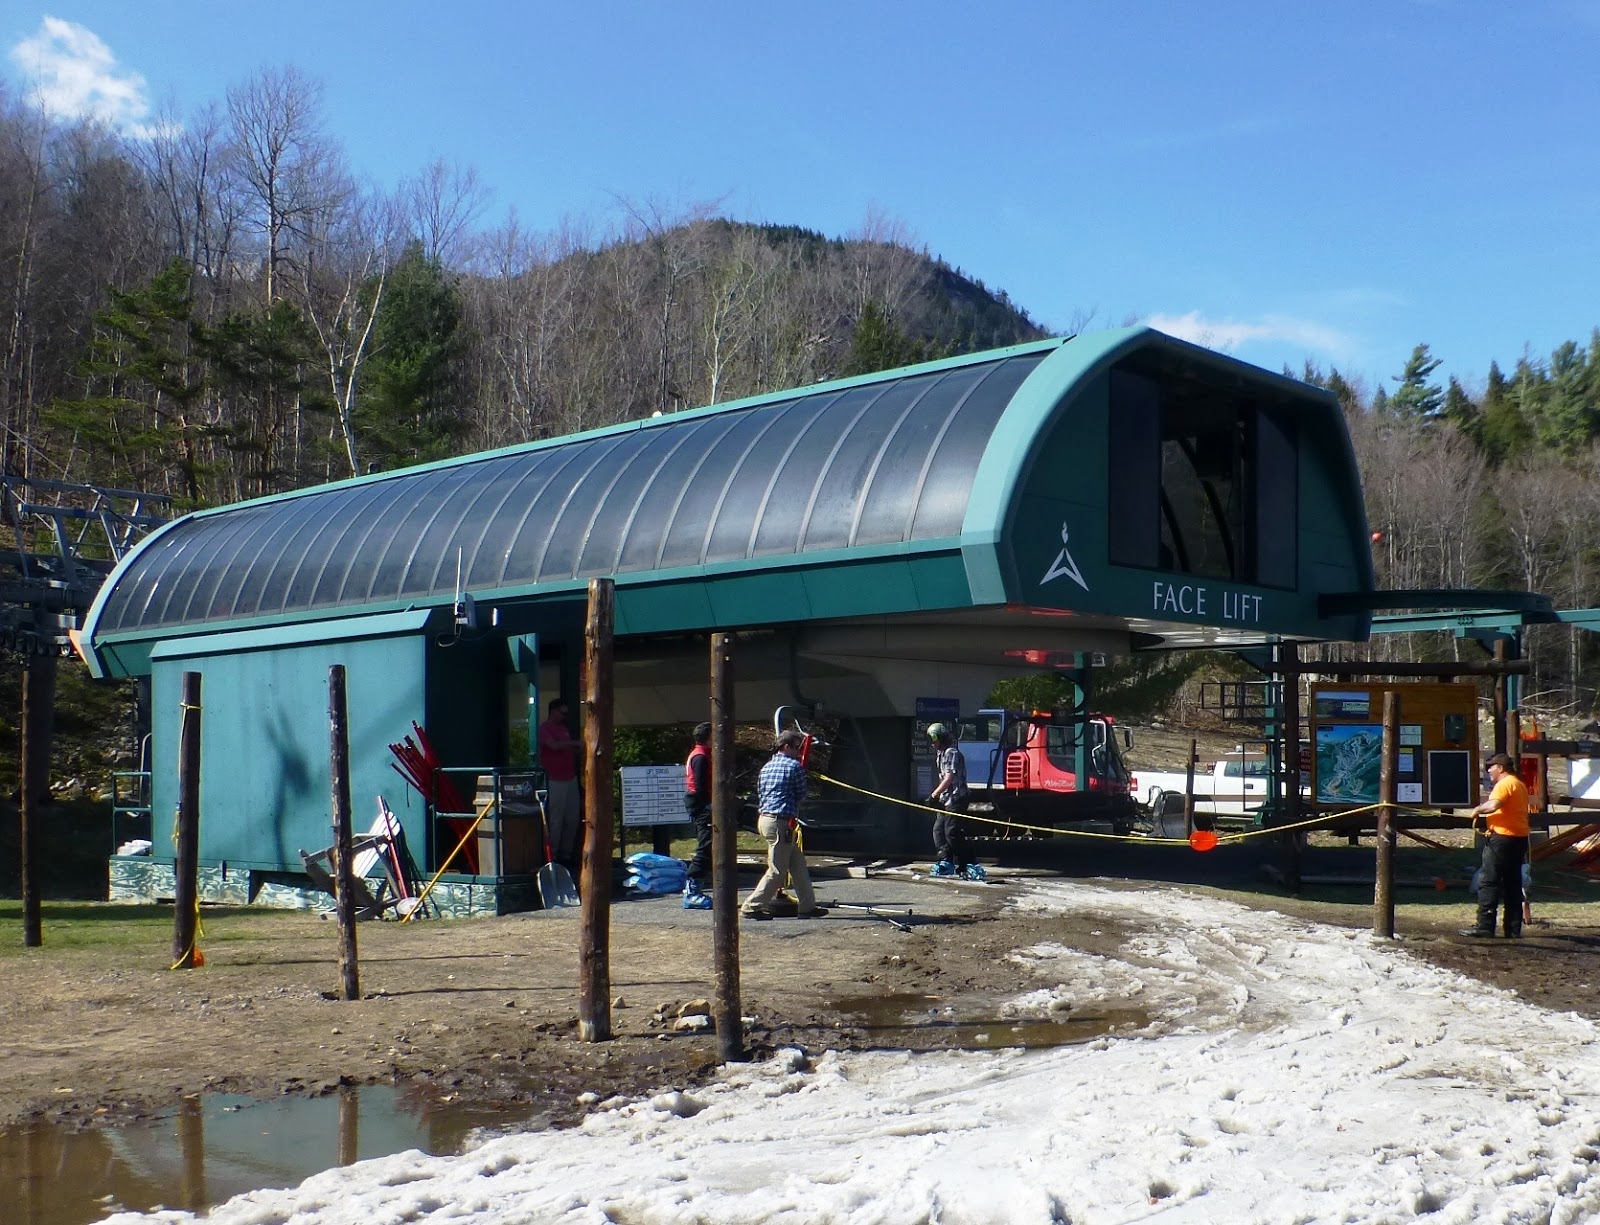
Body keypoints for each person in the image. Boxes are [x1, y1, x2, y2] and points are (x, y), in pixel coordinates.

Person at [741, 729, 827, 920]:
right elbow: (801, 794)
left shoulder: (767, 767)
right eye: (797, 747)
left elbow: (761, 793)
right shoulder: (794, 767)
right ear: (786, 747)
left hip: (765, 819)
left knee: (797, 865)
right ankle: (751, 906)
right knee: (778, 871)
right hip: (781, 822)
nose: (798, 751)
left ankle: (807, 906)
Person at [1463, 752, 1530, 939]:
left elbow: (1494, 805)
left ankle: (1484, 926)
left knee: (1489, 881)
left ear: (1500, 768)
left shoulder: (1504, 784)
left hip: (1501, 839)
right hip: (1519, 838)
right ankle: (1513, 929)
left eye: (1491, 767)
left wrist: (1477, 810)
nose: (1489, 771)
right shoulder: (1519, 784)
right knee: (1512, 883)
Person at [926, 723, 979, 879]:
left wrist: (934, 795)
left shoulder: (951, 753)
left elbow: (949, 778)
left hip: (957, 798)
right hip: (946, 799)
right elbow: (943, 778)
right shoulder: (940, 754)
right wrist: (938, 797)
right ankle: (946, 861)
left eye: (934, 739)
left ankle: (968, 862)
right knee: (938, 830)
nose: (932, 743)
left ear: (941, 738)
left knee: (952, 833)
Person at [538, 698, 582, 873]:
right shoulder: (544, 729)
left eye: (566, 714)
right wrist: (573, 743)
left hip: (570, 778)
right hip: (554, 779)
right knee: (556, 819)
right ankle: (552, 855)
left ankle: (567, 854)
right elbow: (553, 746)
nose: (564, 717)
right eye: (562, 713)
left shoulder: (564, 729)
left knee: (572, 818)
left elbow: (566, 748)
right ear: (553, 711)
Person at [683, 721, 713, 891]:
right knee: (706, 843)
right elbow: (701, 785)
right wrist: (709, 804)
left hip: (700, 801)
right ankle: (692, 883)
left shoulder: (701, 754)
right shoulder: (700, 757)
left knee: (709, 843)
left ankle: (698, 882)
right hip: (700, 803)